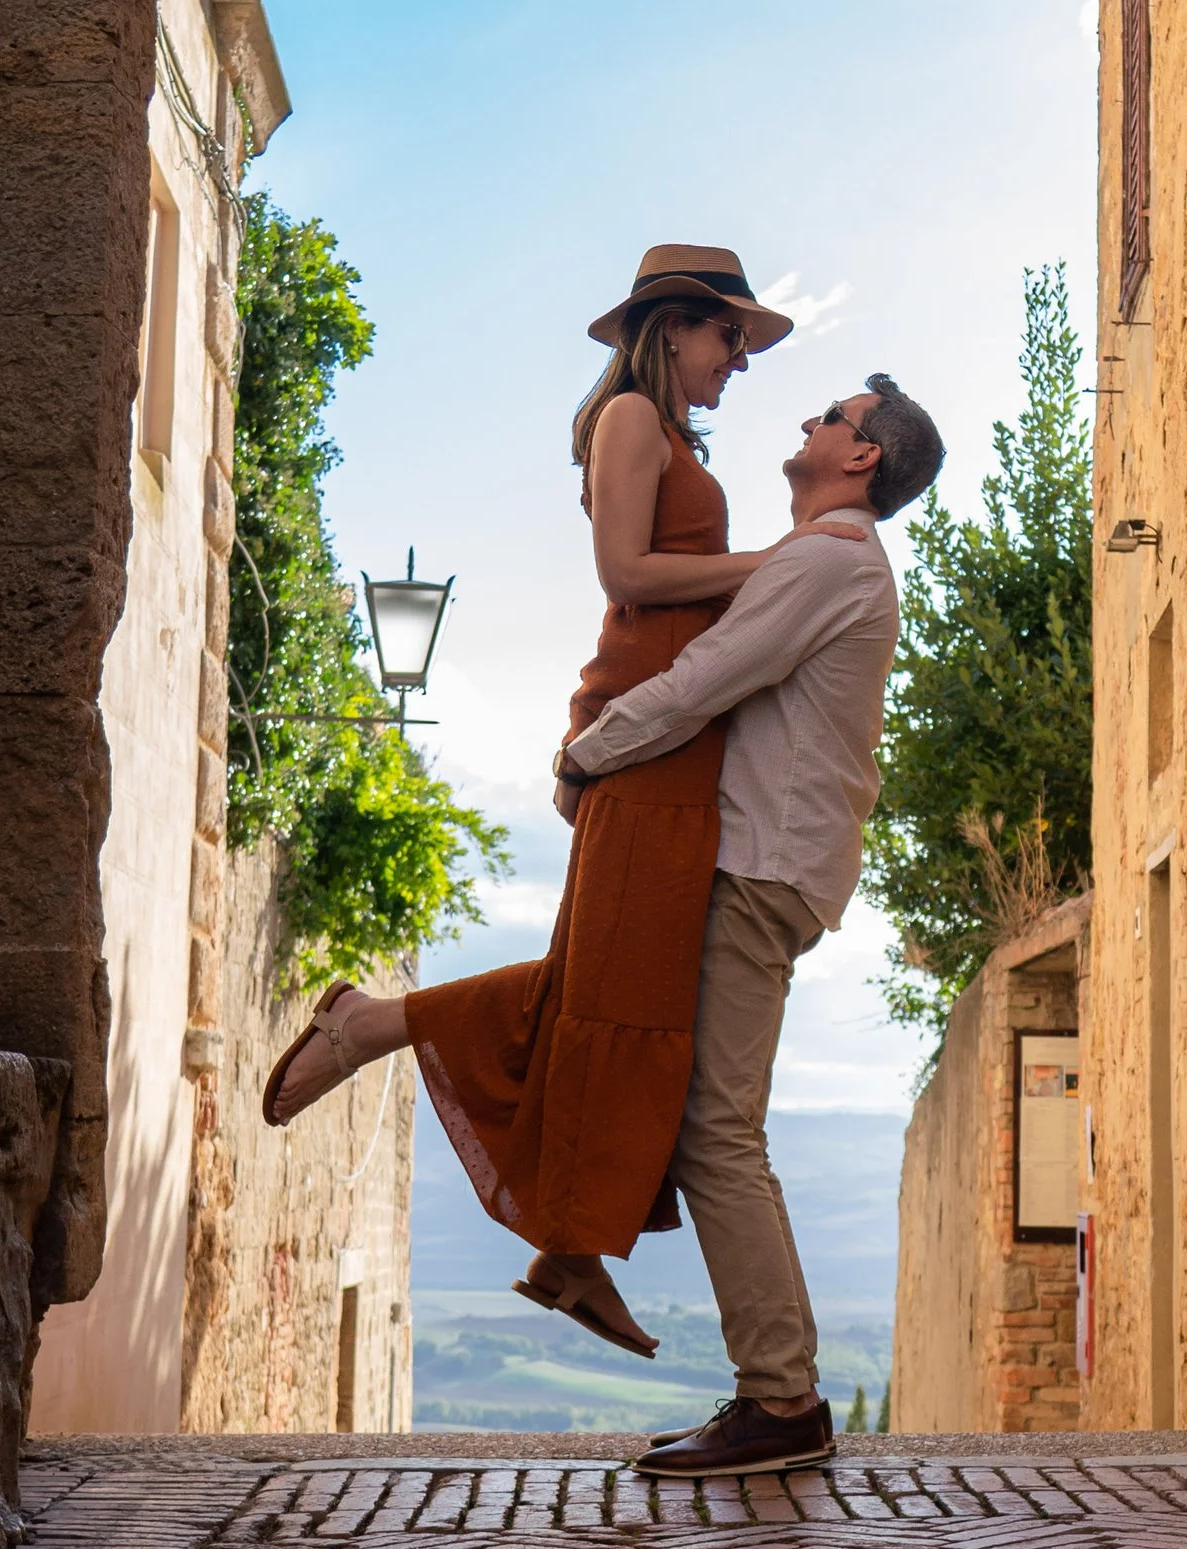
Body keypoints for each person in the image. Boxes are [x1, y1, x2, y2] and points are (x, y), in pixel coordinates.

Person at [260, 244, 793, 1360]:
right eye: (729, 335)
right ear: (675, 324)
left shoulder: (670, 431)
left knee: (618, 994)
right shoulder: (632, 419)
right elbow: (625, 576)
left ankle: (567, 1244)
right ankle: (375, 1033)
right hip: (642, 737)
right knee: (617, 1000)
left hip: (674, 743)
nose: (740, 361)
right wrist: (770, 568)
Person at [560, 371, 944, 1482]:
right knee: (705, 1116)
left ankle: (780, 1398)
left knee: (719, 1132)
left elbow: (706, 678)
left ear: (861, 457)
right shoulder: (826, 563)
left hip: (762, 864)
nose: (808, 425)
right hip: (773, 861)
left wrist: (588, 750)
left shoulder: (827, 559)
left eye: (830, 417)